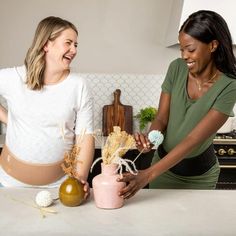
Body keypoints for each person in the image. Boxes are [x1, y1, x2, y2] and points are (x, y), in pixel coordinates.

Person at [118, 10, 236, 199]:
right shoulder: (176, 68)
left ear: (212, 45)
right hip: (162, 170)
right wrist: (151, 140)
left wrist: (148, 174)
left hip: (199, 178)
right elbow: (162, 118)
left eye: (190, 49)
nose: (184, 56)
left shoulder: (229, 86)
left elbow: (192, 140)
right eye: (181, 49)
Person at [0, 16, 94, 201]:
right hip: (7, 185)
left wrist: (80, 178)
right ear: (46, 44)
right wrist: (8, 119)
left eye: (76, 45)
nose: (74, 50)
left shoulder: (78, 86)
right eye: (68, 43)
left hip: (60, 189)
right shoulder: (13, 78)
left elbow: (85, 137)